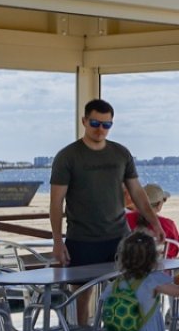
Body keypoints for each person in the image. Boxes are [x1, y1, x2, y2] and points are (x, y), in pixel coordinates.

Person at [50, 99, 161, 267]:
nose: (100, 129)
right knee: (84, 285)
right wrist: (57, 241)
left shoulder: (121, 153)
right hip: (82, 241)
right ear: (84, 121)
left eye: (106, 125)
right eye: (95, 123)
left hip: (120, 237)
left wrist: (155, 224)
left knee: (125, 283)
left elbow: (137, 192)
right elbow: (56, 202)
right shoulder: (67, 157)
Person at [125, 182, 179, 257]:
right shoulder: (168, 224)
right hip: (159, 264)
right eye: (164, 200)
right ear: (159, 205)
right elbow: (176, 250)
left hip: (129, 262)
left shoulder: (125, 219)